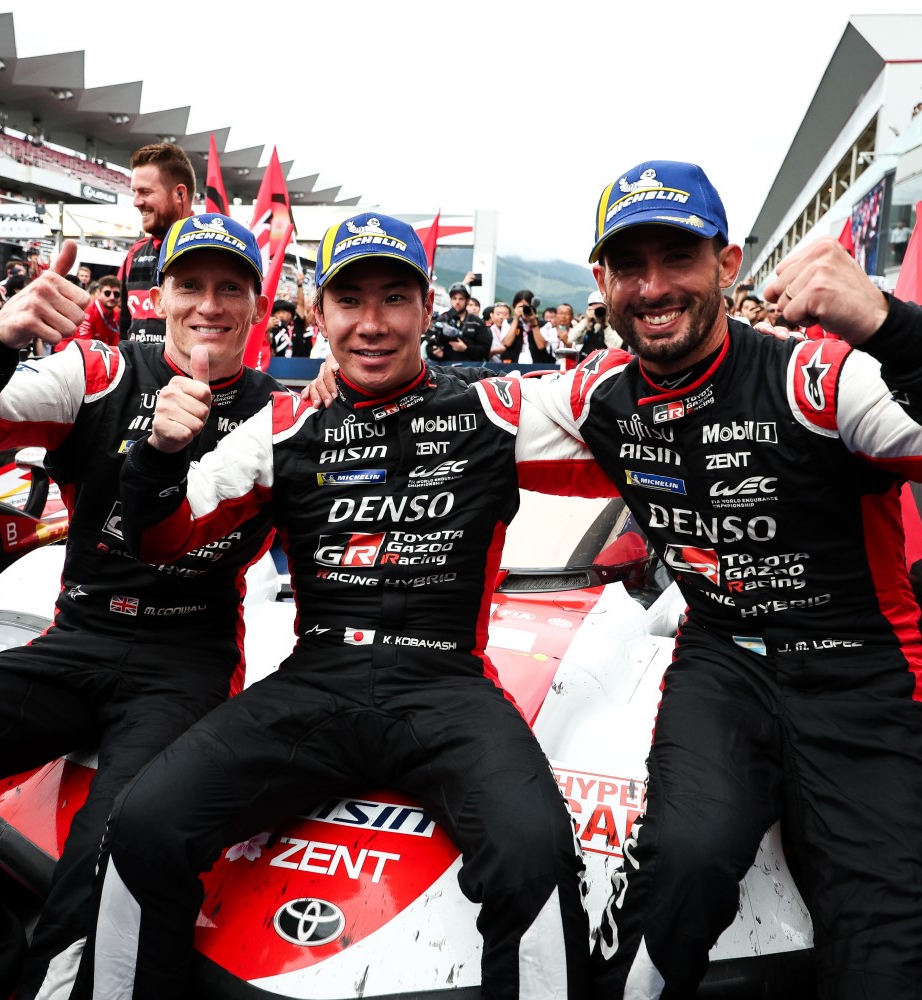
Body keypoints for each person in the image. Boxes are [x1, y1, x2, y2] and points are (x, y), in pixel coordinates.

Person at [507, 160, 922, 998]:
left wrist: (895, 328)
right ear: (601, 281)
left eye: (677, 257)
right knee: (680, 871)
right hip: (723, 662)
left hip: (862, 676)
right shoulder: (599, 396)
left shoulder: (819, 380)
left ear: (728, 262)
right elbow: (441, 430)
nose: (653, 285)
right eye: (629, 265)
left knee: (886, 953)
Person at [86, 212, 596, 1000]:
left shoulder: (497, 411)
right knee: (143, 823)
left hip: (445, 686)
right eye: (348, 302)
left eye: (394, 298)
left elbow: (644, 425)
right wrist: (156, 454)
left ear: (428, 310)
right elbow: (163, 537)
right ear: (317, 315)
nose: (372, 323)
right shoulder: (286, 423)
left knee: (536, 853)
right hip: (317, 681)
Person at [0, 221, 285, 1000]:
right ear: (162, 296)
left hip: (186, 664)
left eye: (231, 288)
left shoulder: (283, 417)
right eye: (192, 285)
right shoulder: (98, 372)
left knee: (115, 841)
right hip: (79, 638)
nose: (210, 306)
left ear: (259, 305)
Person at [116, 143, 196, 347]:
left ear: (180, 194)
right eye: (134, 192)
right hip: (139, 377)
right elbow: (125, 327)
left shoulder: (210, 253)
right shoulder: (134, 253)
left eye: (145, 192)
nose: (136, 202)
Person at [429, 281, 491, 362]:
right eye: (454, 298)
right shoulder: (442, 319)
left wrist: (466, 349)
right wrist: (434, 353)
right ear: (450, 300)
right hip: (445, 368)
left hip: (471, 368)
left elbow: (485, 349)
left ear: (467, 300)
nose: (457, 302)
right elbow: (430, 345)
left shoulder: (477, 322)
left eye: (461, 299)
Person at [60, 276, 121, 351]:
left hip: (91, 351)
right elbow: (83, 341)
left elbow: (115, 342)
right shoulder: (89, 310)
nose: (112, 297)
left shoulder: (116, 314)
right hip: (67, 350)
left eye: (116, 294)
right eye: (107, 293)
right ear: (98, 293)